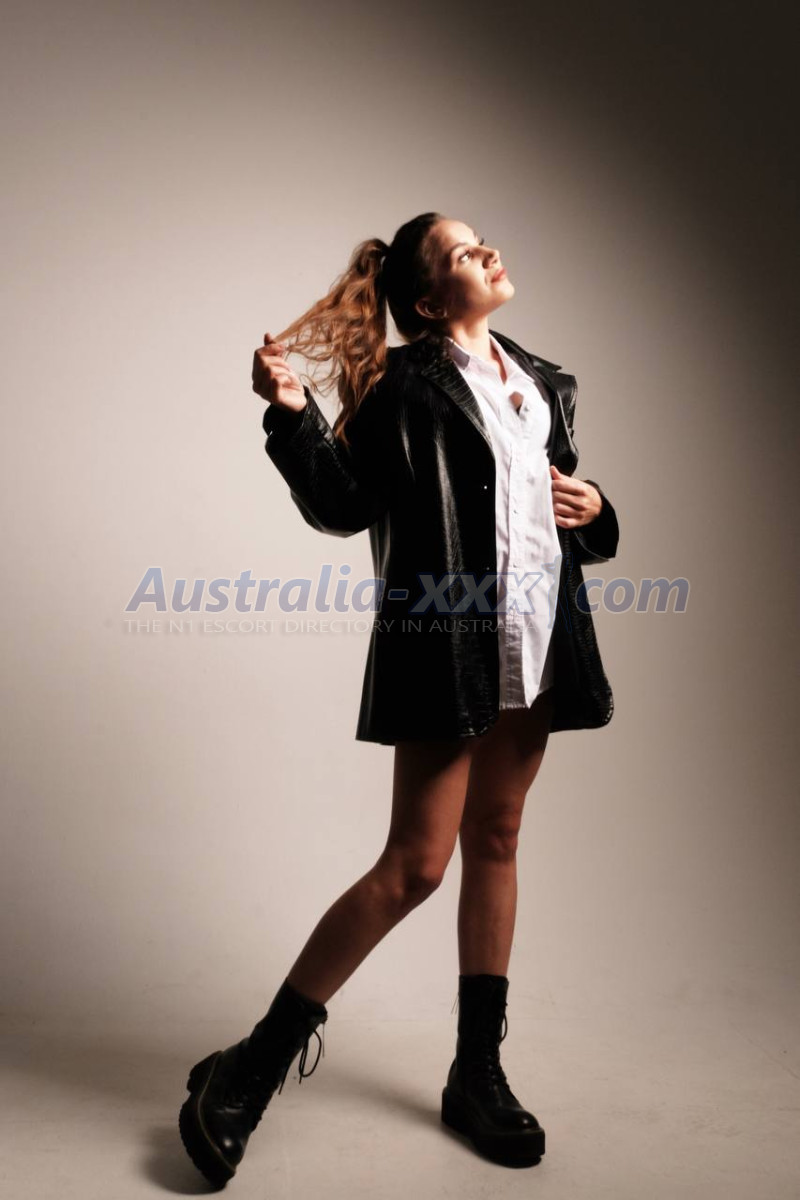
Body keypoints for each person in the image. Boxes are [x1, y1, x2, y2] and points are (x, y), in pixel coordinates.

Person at [179, 212, 620, 1186]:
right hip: (449, 647)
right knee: (415, 866)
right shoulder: (400, 386)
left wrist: (597, 512)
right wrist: (290, 414)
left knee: (497, 837)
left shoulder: (541, 384)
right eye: (463, 252)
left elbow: (556, 511)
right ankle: (250, 1067)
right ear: (426, 300)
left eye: (481, 240)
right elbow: (343, 505)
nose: (487, 252)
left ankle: (476, 1073)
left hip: (538, 640)